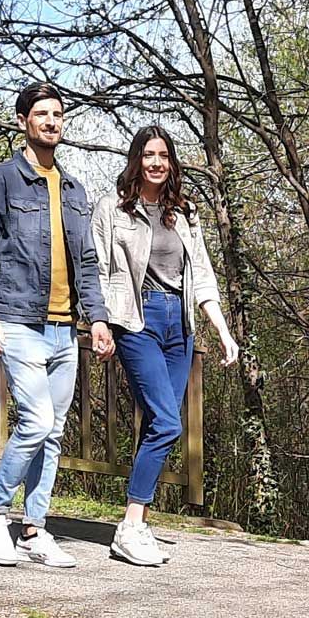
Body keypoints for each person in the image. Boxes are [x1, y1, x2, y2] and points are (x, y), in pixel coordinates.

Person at [0, 81, 112, 567]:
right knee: (37, 420)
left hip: (66, 327)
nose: (51, 122)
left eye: (58, 115)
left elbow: (86, 260)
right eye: (42, 114)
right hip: (18, 320)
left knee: (54, 430)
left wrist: (99, 319)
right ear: (25, 120)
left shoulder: (73, 189)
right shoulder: (0, 180)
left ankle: (35, 529)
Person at [90, 124, 239, 567]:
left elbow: (204, 278)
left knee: (158, 425)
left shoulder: (185, 212)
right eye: (149, 154)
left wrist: (223, 332)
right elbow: (96, 269)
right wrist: (98, 323)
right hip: (137, 321)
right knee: (167, 422)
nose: (157, 162)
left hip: (181, 325)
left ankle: (138, 522)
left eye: (165, 156)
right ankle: (132, 525)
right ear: (137, 159)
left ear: (172, 163)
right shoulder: (112, 210)